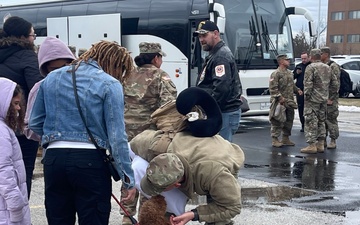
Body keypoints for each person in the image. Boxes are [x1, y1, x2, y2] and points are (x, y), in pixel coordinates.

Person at [29, 40, 136, 225]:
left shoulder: (51, 78)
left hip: (54, 159)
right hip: (90, 161)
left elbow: (35, 122)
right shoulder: (110, 84)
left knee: (58, 219)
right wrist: (128, 180)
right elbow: (117, 138)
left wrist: (54, 137)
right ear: (115, 64)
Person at [131, 87, 244, 225]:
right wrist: (129, 183)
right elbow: (131, 145)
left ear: (176, 184)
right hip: (188, 146)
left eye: (161, 189)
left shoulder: (215, 174)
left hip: (221, 157)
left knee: (220, 219)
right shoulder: (160, 146)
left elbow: (232, 206)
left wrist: (194, 214)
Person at [121, 42, 177, 224]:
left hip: (127, 135)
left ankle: (127, 216)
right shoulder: (160, 76)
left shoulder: (127, 74)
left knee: (128, 172)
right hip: (148, 138)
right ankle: (146, 214)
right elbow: (170, 105)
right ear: (156, 57)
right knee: (148, 173)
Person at [0, 16, 43, 199]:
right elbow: (38, 91)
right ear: (23, 37)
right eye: (33, 35)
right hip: (20, 126)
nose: (34, 38)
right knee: (21, 173)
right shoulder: (27, 56)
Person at [194, 20, 242, 142]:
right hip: (223, 111)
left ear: (215, 33)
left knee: (223, 154)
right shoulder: (215, 54)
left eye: (204, 35)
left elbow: (222, 88)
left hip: (224, 112)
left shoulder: (220, 56)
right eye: (199, 36)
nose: (201, 39)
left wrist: (209, 108)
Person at [24, 36, 76, 142]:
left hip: (54, 148)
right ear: (45, 68)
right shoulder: (85, 84)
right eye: (55, 69)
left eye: (65, 66)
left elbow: (31, 125)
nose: (60, 72)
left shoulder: (40, 87)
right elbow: (29, 126)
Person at [0, 78, 31, 225]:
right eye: (15, 103)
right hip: (7, 211)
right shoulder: (1, 131)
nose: (18, 108)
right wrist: (16, 205)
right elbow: (3, 170)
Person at [301, 49, 338, 154]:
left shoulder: (311, 67)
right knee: (321, 121)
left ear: (311, 57)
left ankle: (312, 144)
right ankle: (321, 143)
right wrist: (330, 96)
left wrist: (307, 96)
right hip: (323, 99)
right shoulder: (327, 67)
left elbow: (308, 84)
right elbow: (335, 84)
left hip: (313, 99)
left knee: (310, 121)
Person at [269, 54, 302, 148]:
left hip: (289, 101)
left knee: (289, 120)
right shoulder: (276, 73)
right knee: (277, 120)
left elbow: (291, 85)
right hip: (279, 102)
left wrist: (297, 90)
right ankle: (275, 139)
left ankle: (285, 138)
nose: (289, 61)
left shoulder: (289, 73)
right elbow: (273, 88)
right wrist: (279, 98)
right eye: (286, 60)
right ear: (281, 62)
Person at [320, 47, 341, 149]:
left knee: (331, 119)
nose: (320, 56)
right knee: (322, 120)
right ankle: (323, 139)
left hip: (330, 99)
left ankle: (333, 140)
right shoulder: (322, 66)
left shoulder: (333, 66)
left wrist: (331, 98)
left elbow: (336, 85)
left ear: (326, 54)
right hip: (322, 98)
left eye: (321, 54)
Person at [293, 52, 311, 132]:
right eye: (302, 58)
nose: (303, 60)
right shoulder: (298, 66)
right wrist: (296, 73)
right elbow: (292, 77)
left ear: (309, 58)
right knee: (301, 108)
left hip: (310, 91)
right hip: (300, 91)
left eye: (305, 58)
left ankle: (310, 125)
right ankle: (303, 124)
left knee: (310, 109)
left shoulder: (311, 66)